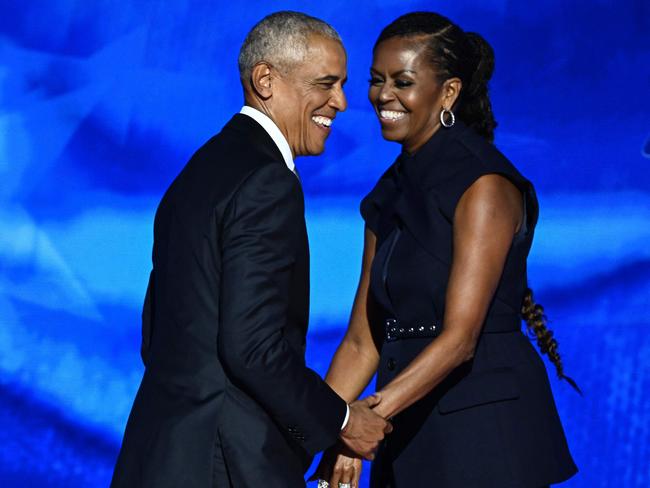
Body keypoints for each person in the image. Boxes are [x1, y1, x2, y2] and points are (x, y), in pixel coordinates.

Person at [110, 11, 392, 488]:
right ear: (266, 80)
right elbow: (253, 348)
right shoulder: (267, 181)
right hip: (226, 465)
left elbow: (155, 332)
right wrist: (343, 421)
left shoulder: (198, 171)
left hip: (162, 456)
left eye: (343, 84)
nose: (341, 102)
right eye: (326, 84)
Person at [313, 12, 578, 488]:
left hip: (481, 437)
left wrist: (363, 423)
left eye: (403, 81)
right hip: (403, 427)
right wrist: (321, 430)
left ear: (449, 92)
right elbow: (361, 341)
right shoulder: (387, 192)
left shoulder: (484, 183)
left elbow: (460, 340)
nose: (383, 95)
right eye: (376, 80)